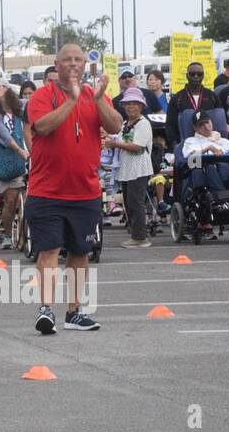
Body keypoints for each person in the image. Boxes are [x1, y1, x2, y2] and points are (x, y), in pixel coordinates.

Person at [25, 44, 122, 335]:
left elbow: (115, 126)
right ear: (56, 65)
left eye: (78, 60)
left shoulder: (95, 96)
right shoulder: (44, 96)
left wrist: (99, 98)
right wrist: (71, 100)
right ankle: (46, 310)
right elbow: (42, 127)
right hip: (47, 192)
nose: (72, 65)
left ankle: (74, 312)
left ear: (84, 64)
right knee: (50, 248)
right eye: (67, 60)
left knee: (81, 251)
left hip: (85, 191)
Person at [108, 87, 154, 248]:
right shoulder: (126, 123)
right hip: (127, 169)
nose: (130, 107)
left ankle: (140, 236)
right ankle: (135, 234)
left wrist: (115, 143)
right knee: (129, 203)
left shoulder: (143, 124)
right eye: (127, 103)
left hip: (139, 169)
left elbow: (137, 146)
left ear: (141, 106)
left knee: (136, 202)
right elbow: (120, 140)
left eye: (134, 103)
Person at [0, 87, 29, 249]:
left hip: (29, 154)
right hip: (8, 160)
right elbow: (4, 135)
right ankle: (8, 235)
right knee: (10, 200)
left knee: (27, 200)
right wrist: (19, 150)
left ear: (7, 88)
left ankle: (26, 236)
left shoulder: (22, 107)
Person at [181, 111, 229, 190]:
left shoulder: (223, 140)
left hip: (227, 170)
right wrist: (208, 148)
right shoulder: (190, 141)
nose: (206, 126)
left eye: (207, 122)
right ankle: (221, 199)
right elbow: (191, 160)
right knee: (209, 167)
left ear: (211, 122)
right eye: (201, 124)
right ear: (195, 128)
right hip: (208, 170)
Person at [167, 63, 218, 152]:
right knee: (195, 164)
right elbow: (170, 125)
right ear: (187, 76)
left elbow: (218, 118)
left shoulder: (212, 96)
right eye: (192, 74)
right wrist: (175, 146)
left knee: (219, 165)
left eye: (199, 74)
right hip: (188, 144)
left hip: (211, 142)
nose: (196, 76)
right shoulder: (177, 98)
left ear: (203, 75)